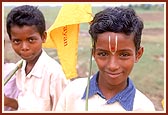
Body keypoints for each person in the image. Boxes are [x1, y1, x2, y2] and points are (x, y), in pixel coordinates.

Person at [56, 7, 156, 112]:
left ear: (138, 54)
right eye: (103, 54)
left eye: (124, 55)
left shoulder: (144, 108)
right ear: (93, 53)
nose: (112, 66)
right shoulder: (72, 92)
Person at [5, 5, 69, 111]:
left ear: (43, 37)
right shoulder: (19, 69)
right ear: (11, 40)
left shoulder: (54, 74)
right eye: (17, 41)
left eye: (31, 40)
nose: (24, 47)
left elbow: (63, 109)